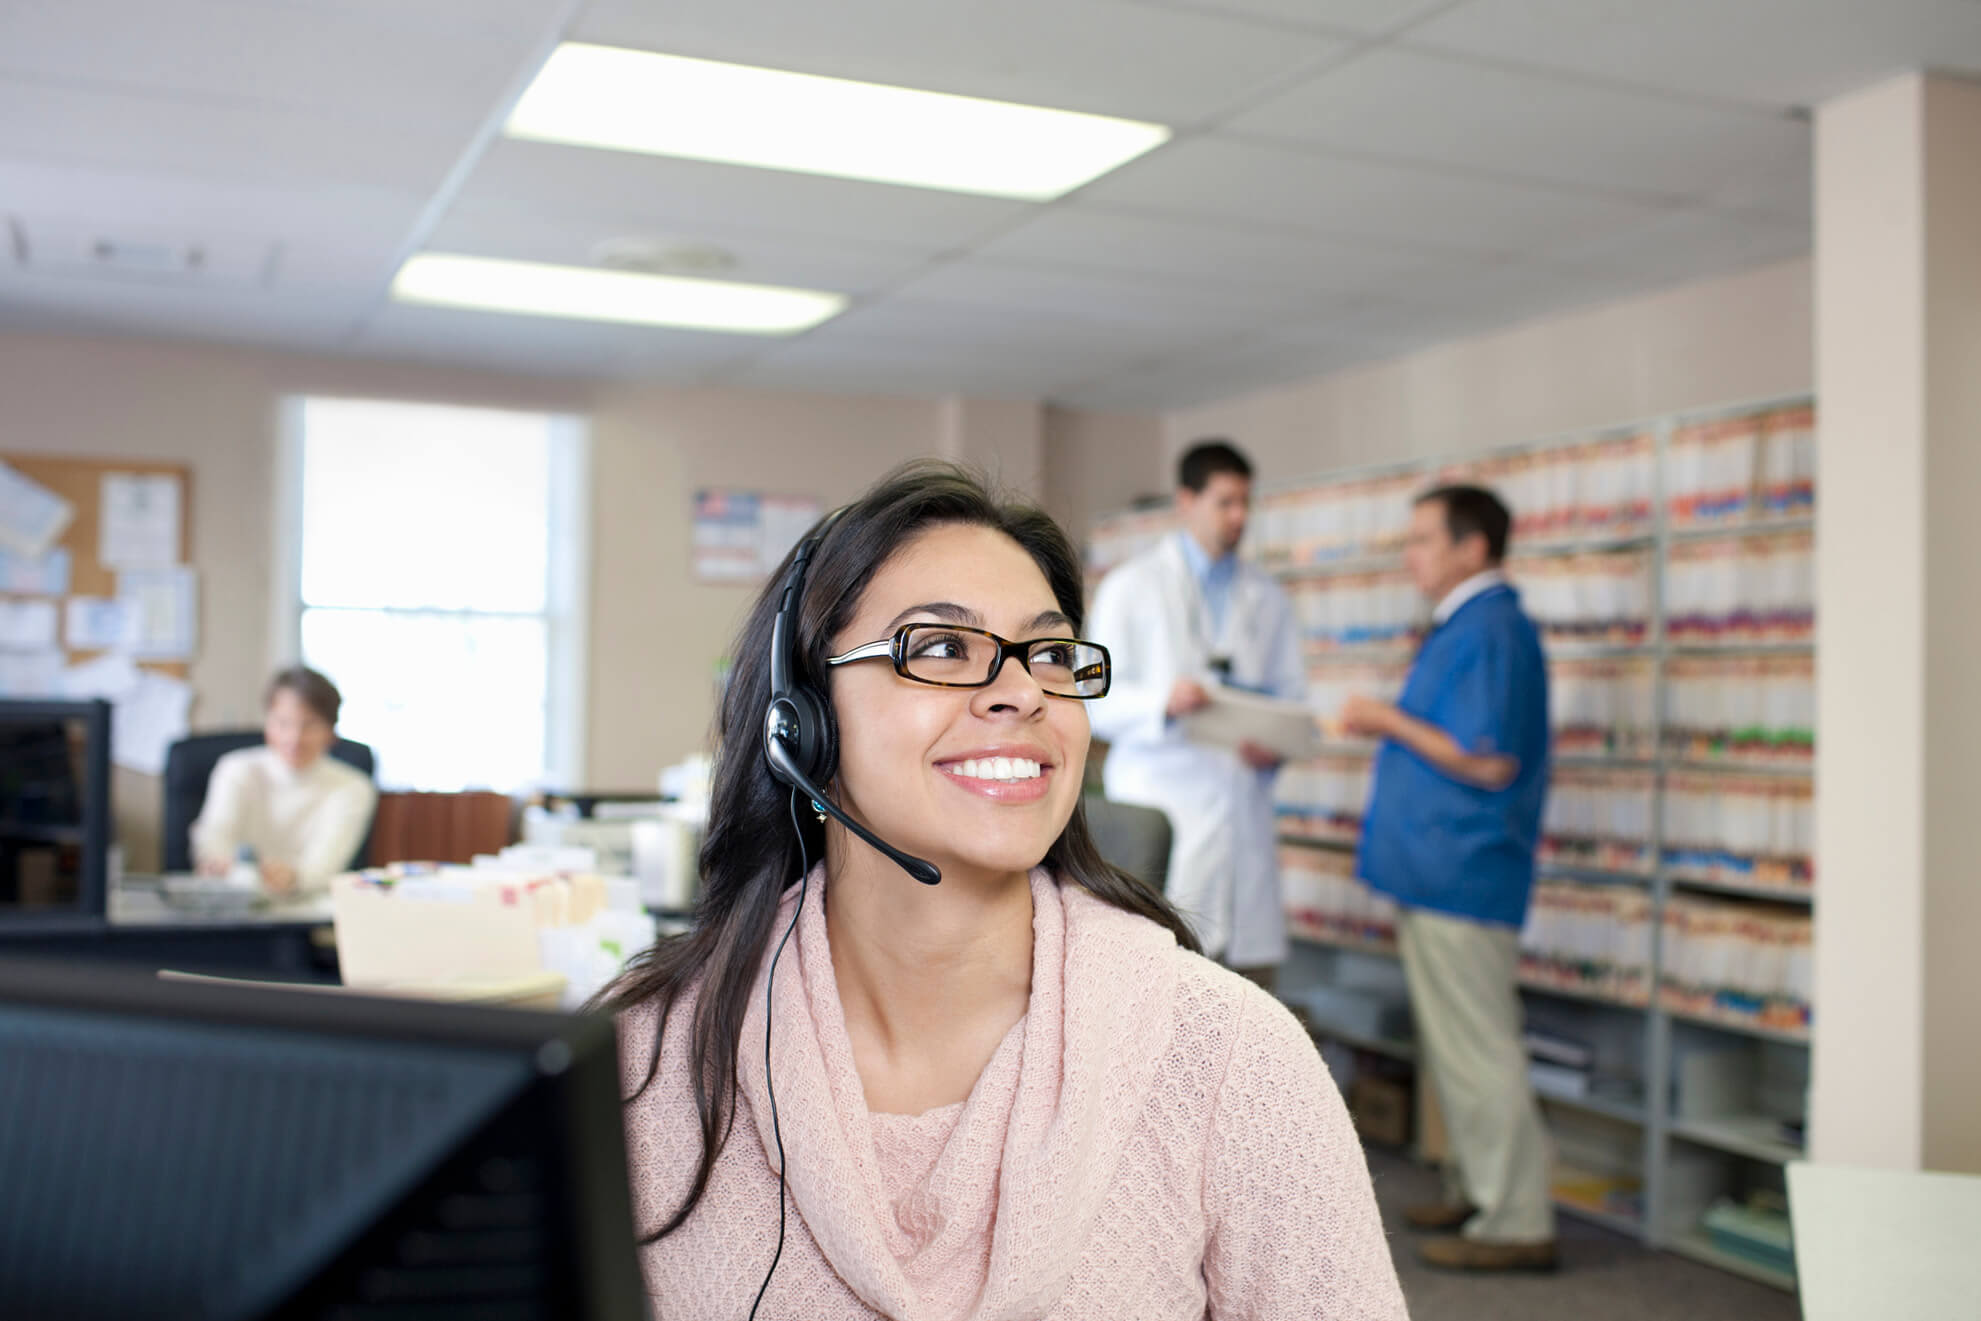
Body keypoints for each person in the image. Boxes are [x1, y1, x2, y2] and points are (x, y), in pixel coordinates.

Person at [604, 463, 1405, 1320]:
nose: (1024, 692)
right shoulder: (647, 1059)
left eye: (1052, 654)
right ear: (804, 716)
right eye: (942, 647)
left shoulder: (1232, 1059)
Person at [1338, 484, 1555, 1273]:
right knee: (1454, 1050)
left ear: (1472, 547)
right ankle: (1477, 1191)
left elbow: (1488, 756)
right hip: (1435, 873)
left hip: (1463, 873)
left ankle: (1514, 1219)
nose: (1411, 554)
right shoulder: (1463, 625)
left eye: (1424, 538)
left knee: (1480, 1050)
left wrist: (1382, 718)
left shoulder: (1492, 627)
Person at [1086, 440, 1304, 989]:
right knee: (1164, 983)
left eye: (1245, 504)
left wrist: (1275, 743)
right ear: (1187, 501)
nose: (1239, 517)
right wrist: (1162, 701)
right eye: (1225, 502)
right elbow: (1090, 698)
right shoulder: (1130, 588)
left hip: (1242, 806)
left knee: (1249, 997)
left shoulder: (1266, 597)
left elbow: (1292, 699)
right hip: (1165, 799)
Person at [190, 665, 376, 895]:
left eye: (310, 724)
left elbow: (324, 868)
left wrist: (292, 877)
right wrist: (219, 863)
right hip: (229, 901)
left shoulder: (352, 787)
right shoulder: (235, 769)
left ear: (331, 731)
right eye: (283, 722)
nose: (294, 737)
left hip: (305, 913)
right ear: (267, 724)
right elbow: (214, 838)